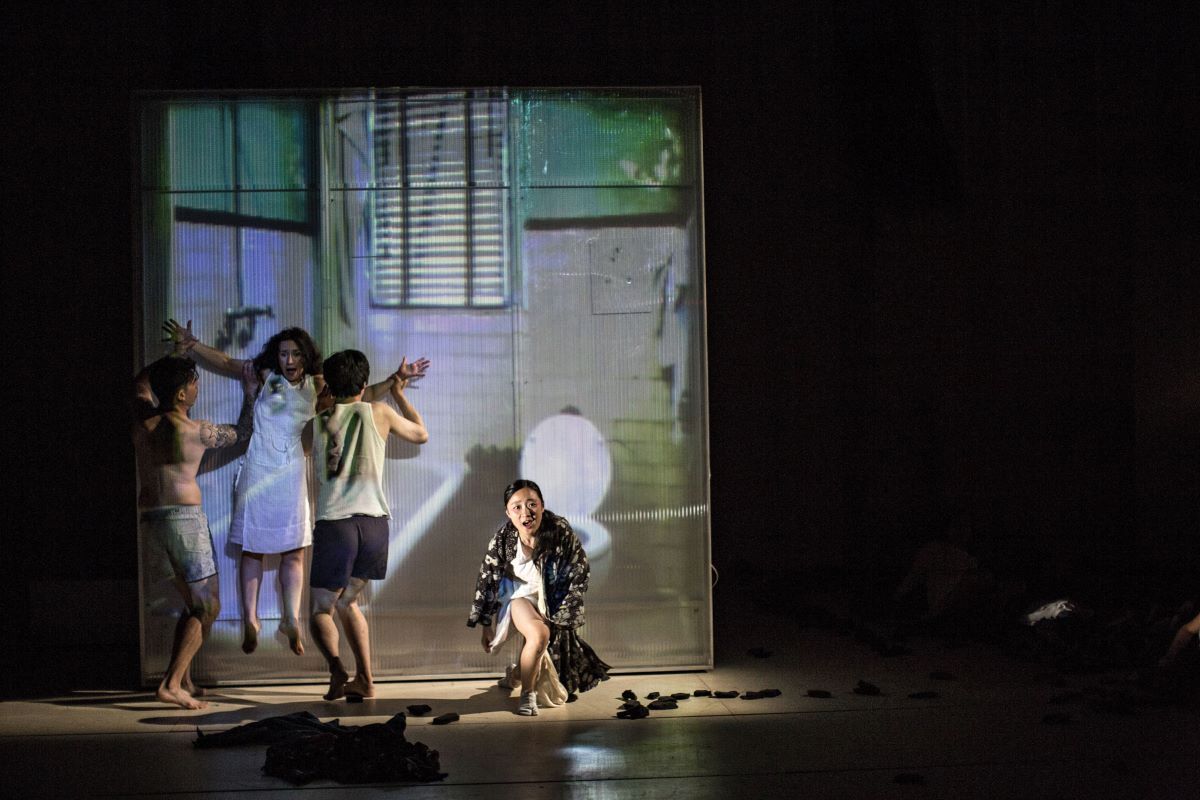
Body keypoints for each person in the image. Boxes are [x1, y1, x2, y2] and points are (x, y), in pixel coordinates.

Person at [163, 319, 427, 656]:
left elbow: (358, 396)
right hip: (258, 469)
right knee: (252, 547)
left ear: (306, 356)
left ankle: (290, 619)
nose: (289, 360)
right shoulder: (264, 374)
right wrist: (194, 345)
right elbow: (227, 362)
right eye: (284, 353)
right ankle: (251, 618)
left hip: (291, 472)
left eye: (296, 354)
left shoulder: (319, 383)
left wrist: (394, 380)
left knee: (294, 550)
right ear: (276, 356)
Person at [133, 354, 258, 709]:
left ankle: (184, 679)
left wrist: (168, 360)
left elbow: (140, 385)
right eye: (193, 383)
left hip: (151, 521)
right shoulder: (195, 431)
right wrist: (250, 391)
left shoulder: (142, 420)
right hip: (183, 521)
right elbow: (243, 432)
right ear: (181, 394)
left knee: (193, 604)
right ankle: (171, 684)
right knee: (208, 605)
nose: (197, 388)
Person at [303, 349, 429, 701]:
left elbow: (307, 449)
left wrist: (321, 406)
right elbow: (421, 434)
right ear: (363, 384)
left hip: (336, 525)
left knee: (321, 609)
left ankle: (337, 669)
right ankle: (366, 681)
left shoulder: (316, 424)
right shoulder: (380, 412)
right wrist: (398, 392)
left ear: (328, 385)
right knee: (349, 602)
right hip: (374, 526)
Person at [468, 479, 610, 716]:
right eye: (517, 507)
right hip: (519, 594)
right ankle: (528, 695)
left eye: (532, 504)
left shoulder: (558, 530)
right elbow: (487, 579)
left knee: (540, 647)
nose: (526, 512)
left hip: (552, 595)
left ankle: (515, 676)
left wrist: (566, 611)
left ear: (542, 506)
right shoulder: (504, 539)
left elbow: (579, 567)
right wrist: (486, 626)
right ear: (508, 513)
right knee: (539, 634)